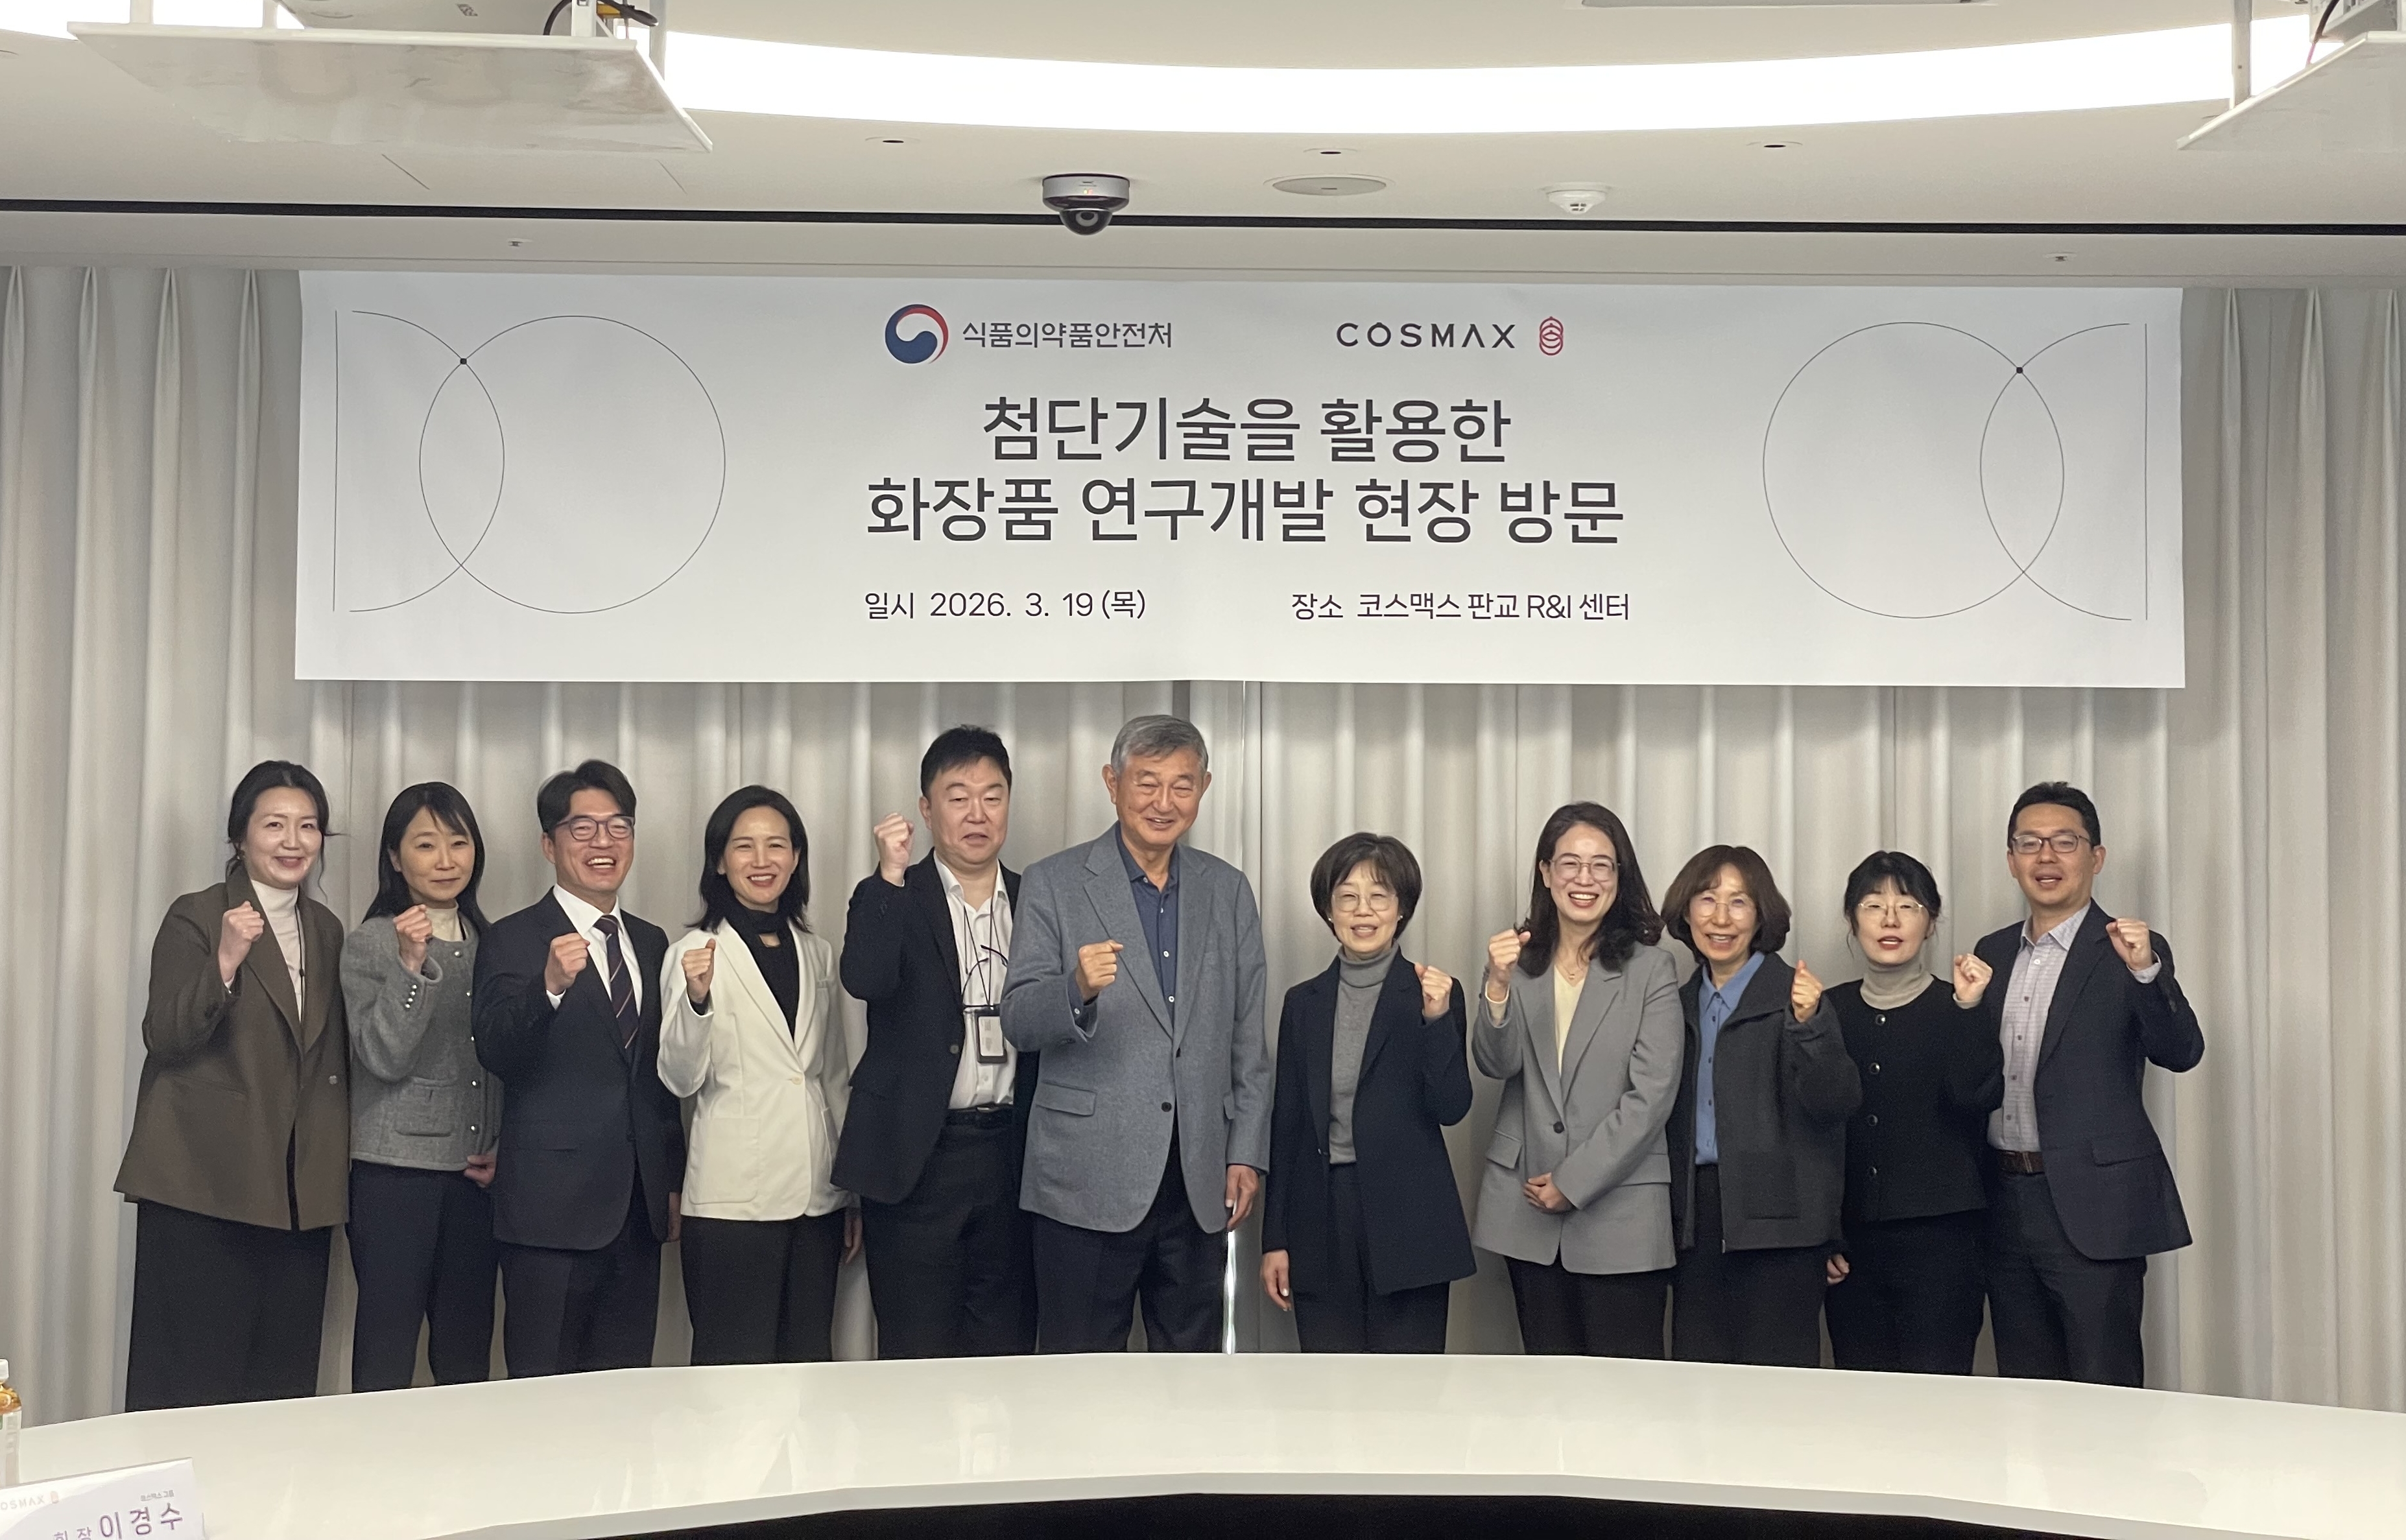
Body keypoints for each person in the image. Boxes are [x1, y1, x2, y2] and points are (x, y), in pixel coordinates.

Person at [1000, 715, 1271, 1353]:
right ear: (1111, 782)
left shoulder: (1227, 889)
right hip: (1085, 1176)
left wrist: (1244, 1152)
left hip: (1198, 1175)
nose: (1163, 801)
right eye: (1147, 782)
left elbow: (1248, 1034)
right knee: (1081, 1371)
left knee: (1191, 1370)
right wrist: (1075, 988)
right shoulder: (1054, 881)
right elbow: (1018, 1018)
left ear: (1204, 788)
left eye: (1181, 785)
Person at [117, 761, 350, 1410]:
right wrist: (224, 961)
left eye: (308, 825)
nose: (293, 840)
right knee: (191, 1380)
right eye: (274, 825)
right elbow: (165, 1033)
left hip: (298, 1190)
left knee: (281, 1387)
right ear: (240, 836)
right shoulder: (198, 913)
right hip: (204, 1183)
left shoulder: (326, 928)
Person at [1972, 782, 2204, 1386]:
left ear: (2096, 856)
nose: (2046, 856)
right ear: (2011, 859)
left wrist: (2145, 971)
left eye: (2064, 841)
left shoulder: (2128, 948)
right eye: (2030, 843)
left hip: (2095, 1206)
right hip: (2005, 1200)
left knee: (2106, 1388)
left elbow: (2181, 1051)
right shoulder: (1991, 951)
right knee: (2025, 1389)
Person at [473, 760, 684, 1377]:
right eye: (583, 828)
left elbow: (657, 1076)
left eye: (618, 826)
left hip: (638, 1212)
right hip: (549, 1216)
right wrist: (547, 987)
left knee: (624, 1396)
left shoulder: (652, 941)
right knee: (544, 1399)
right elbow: (495, 1049)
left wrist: (669, 1179)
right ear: (549, 844)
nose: (603, 842)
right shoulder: (513, 937)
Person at [834, 727, 1039, 1358]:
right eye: (958, 797)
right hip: (917, 1156)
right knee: (915, 1351)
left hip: (1011, 1156)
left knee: (1005, 1348)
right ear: (927, 809)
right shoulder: (892, 893)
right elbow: (865, 978)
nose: (977, 813)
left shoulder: (1038, 898)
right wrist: (890, 875)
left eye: (992, 796)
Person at [1470, 803, 1684, 1358]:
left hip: (1622, 1213)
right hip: (1526, 1208)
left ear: (1619, 876)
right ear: (1546, 872)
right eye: (1569, 863)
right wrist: (1497, 986)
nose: (1584, 878)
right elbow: (1496, 1063)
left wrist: (1574, 1179)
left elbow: (1652, 1095)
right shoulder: (1515, 961)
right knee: (1546, 1391)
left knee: (1625, 1392)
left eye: (1601, 865)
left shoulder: (1652, 968)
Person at [660, 786, 855, 1364]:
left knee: (808, 1367)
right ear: (720, 860)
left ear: (796, 858)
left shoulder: (818, 952)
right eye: (744, 846)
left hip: (816, 1198)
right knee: (733, 1375)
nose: (762, 859)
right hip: (733, 1203)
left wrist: (849, 1189)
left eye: (777, 845)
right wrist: (697, 1001)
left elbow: (833, 1075)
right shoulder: (694, 951)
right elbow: (678, 1078)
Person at [1261, 834, 1473, 1353]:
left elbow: (1451, 1107)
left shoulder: (1435, 992)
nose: (1363, 910)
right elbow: (1287, 1125)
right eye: (1347, 896)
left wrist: (1436, 1021)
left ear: (1402, 909)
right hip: (1320, 1218)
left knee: (1408, 1388)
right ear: (1328, 910)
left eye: (1379, 896)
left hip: (1410, 1220)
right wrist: (1275, 1239)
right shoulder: (1303, 1003)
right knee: (1329, 1386)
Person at [1663, 844, 1861, 1367]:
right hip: (1694, 1221)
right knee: (1699, 1385)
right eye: (1708, 899)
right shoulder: (1674, 1004)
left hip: (1783, 1225)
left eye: (1739, 902)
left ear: (1761, 914)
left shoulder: (1797, 997)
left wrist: (1810, 1025)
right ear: (1687, 911)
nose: (1721, 918)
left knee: (1778, 1393)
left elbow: (1835, 1103)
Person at [343, 782, 503, 1392]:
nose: (445, 860)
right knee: (386, 1354)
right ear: (394, 856)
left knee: (466, 1357)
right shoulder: (371, 940)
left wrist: (502, 1142)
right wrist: (411, 965)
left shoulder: (494, 941)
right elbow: (382, 1055)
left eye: (458, 843)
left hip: (474, 1178)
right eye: (426, 844)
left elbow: (501, 1058)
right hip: (394, 1176)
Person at [1820, 851, 2004, 1375]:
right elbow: (1813, 1133)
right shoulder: (1828, 1011)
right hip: (1852, 1249)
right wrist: (1825, 1232)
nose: (1890, 919)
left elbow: (1977, 1096)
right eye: (1873, 905)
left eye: (1908, 905)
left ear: (1931, 921)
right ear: (1852, 919)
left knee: (1939, 1402)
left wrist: (1970, 1010)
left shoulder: (1961, 1004)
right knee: (1863, 1401)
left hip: (1945, 1246)